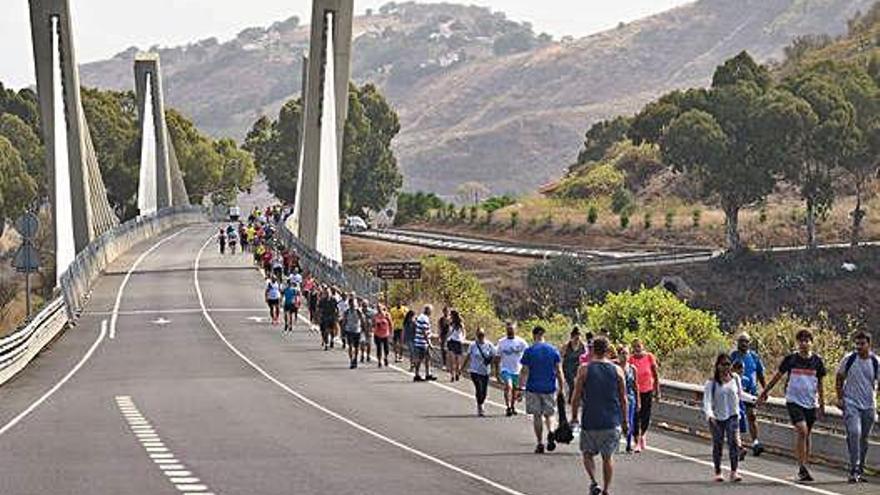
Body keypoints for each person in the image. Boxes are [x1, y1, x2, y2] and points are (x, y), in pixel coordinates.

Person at [759, 329, 827, 483]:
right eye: (801, 340)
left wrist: (821, 405)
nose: (804, 343)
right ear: (798, 343)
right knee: (802, 431)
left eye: (807, 340)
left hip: (810, 402)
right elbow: (778, 376)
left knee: (807, 435)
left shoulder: (817, 361)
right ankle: (802, 466)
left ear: (811, 342)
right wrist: (765, 392)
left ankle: (804, 467)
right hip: (793, 401)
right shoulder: (791, 359)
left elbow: (821, 384)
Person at [571, 336, 628, 495]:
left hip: (590, 419)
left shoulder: (584, 369)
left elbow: (576, 396)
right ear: (608, 350)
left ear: (592, 350)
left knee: (587, 453)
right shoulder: (617, 370)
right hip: (611, 420)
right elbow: (623, 398)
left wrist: (574, 416)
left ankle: (594, 481)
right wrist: (625, 421)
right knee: (607, 456)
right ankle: (607, 489)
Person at [835, 330, 878, 483]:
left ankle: (860, 468)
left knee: (864, 438)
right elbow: (839, 378)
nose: (859, 347)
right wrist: (840, 398)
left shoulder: (876, 362)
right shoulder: (849, 359)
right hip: (851, 403)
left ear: (869, 344)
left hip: (868, 405)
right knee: (854, 432)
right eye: (857, 344)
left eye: (862, 344)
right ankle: (854, 468)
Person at [519, 326, 565, 454]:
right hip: (549, 387)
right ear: (543, 334)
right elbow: (559, 371)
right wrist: (561, 388)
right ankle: (550, 431)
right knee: (549, 414)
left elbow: (524, 371)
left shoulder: (529, 351)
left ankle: (540, 443)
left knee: (537, 415)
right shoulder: (553, 350)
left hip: (533, 387)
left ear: (534, 335)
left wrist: (520, 388)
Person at [703, 353, 744, 483]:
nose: (726, 367)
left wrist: (756, 399)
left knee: (734, 443)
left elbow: (740, 395)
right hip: (717, 418)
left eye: (728, 364)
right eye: (723, 364)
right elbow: (707, 401)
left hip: (733, 416)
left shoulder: (735, 378)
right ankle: (718, 471)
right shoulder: (711, 383)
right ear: (718, 366)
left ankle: (734, 471)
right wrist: (709, 415)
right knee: (718, 444)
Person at [730, 332, 766, 456]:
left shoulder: (754, 357)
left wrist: (765, 390)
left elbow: (760, 374)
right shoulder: (733, 356)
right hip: (736, 393)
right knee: (737, 419)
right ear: (738, 342)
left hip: (750, 392)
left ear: (749, 343)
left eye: (746, 341)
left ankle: (755, 443)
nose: (744, 344)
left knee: (752, 416)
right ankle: (738, 445)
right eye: (741, 341)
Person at [629, 339, 660, 453]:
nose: (637, 349)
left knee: (645, 415)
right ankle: (636, 441)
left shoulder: (649, 357)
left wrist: (657, 391)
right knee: (635, 416)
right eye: (635, 347)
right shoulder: (631, 359)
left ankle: (643, 435)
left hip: (647, 390)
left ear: (643, 346)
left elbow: (656, 375)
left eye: (639, 346)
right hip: (634, 391)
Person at [496, 322, 528, 417]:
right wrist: (497, 371)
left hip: (517, 370)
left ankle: (513, 406)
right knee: (508, 387)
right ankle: (508, 407)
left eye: (512, 329)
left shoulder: (521, 342)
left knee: (515, 390)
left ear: (515, 330)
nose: (510, 331)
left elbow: (528, 353)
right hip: (505, 369)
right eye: (508, 329)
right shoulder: (501, 342)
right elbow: (497, 357)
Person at [616, 345, 640, 453]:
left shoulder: (632, 368)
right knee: (617, 421)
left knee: (629, 421)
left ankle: (628, 444)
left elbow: (636, 385)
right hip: (617, 397)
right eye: (622, 353)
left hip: (630, 398)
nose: (625, 356)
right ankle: (615, 443)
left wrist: (638, 400)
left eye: (626, 353)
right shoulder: (615, 367)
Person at [412, 305, 437, 382]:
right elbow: (424, 332)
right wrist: (429, 343)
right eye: (430, 311)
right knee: (420, 359)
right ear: (428, 310)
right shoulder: (424, 318)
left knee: (427, 358)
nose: (431, 312)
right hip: (422, 342)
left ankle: (427, 374)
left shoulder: (422, 317)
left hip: (421, 342)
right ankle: (417, 375)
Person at [562, 327, 586, 399]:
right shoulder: (566, 346)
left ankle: (578, 400)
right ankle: (571, 400)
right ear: (572, 337)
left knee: (580, 384)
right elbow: (561, 357)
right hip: (568, 368)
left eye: (578, 338)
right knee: (572, 384)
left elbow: (585, 357)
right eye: (576, 338)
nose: (577, 340)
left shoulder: (583, 345)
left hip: (578, 368)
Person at [341, 295, 364, 369]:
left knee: (356, 347)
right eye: (351, 304)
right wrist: (343, 331)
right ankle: (351, 360)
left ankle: (355, 359)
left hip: (357, 330)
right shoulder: (347, 312)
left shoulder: (358, 311)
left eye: (353, 304)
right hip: (349, 330)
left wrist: (363, 329)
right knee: (350, 346)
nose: (352, 305)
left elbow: (362, 320)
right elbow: (344, 322)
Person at [446, 310, 465, 381]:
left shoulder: (452, 324)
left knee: (453, 360)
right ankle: (456, 374)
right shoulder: (460, 323)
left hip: (452, 342)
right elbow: (464, 332)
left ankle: (453, 375)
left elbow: (449, 333)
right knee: (457, 360)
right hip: (458, 342)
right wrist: (462, 338)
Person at [359, 299, 375, 363]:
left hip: (369, 329)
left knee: (369, 344)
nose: (364, 307)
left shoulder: (371, 312)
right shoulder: (359, 311)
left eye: (365, 305)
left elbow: (374, 320)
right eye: (363, 305)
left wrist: (373, 328)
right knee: (362, 343)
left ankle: (368, 355)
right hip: (361, 329)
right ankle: (362, 355)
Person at [438, 307, 451, 372]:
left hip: (450, 336)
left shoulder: (451, 319)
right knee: (443, 350)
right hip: (443, 336)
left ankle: (449, 365)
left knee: (449, 351)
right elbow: (439, 328)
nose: (446, 312)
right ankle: (444, 364)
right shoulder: (441, 319)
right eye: (445, 311)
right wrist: (439, 337)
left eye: (447, 311)